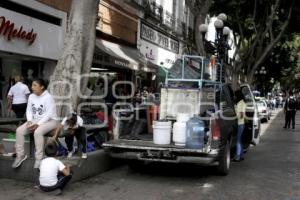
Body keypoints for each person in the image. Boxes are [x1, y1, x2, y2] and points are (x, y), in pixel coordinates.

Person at [12, 79, 58, 169]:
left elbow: (48, 114)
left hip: (51, 121)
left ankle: (39, 158)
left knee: (38, 132)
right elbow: (29, 109)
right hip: (35, 120)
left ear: (42, 87)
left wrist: (38, 124)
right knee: (19, 130)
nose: (32, 87)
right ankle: (20, 155)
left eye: (35, 85)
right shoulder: (31, 96)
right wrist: (29, 120)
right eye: (32, 85)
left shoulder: (48, 97)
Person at [234, 90, 246, 162]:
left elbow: (241, 115)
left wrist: (235, 116)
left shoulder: (242, 103)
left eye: (235, 95)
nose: (234, 96)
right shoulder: (239, 102)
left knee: (238, 141)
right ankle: (241, 155)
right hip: (240, 124)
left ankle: (238, 157)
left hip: (240, 124)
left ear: (238, 95)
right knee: (240, 141)